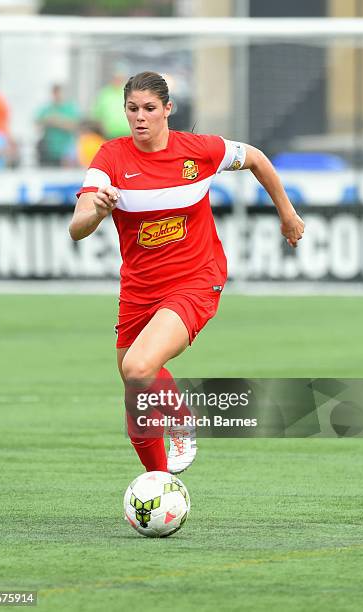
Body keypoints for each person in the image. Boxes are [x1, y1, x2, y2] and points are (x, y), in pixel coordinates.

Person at [70, 71, 304, 475]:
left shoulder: (201, 151)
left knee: (140, 369)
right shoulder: (110, 157)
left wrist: (287, 214)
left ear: (167, 110)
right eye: (132, 109)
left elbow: (257, 159)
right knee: (135, 383)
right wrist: (98, 210)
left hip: (196, 278)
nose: (140, 117)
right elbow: (77, 228)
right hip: (139, 288)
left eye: (149, 109)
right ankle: (158, 481)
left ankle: (179, 420)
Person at [36, 84, 80, 166]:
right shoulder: (47, 108)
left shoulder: (70, 108)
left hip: (64, 151)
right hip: (49, 149)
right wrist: (47, 120)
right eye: (54, 93)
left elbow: (75, 126)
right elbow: (37, 124)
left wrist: (58, 121)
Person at [91, 70, 130, 140]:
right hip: (109, 135)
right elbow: (97, 115)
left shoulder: (129, 92)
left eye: (120, 77)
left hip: (128, 134)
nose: (117, 80)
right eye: (115, 77)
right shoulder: (104, 93)